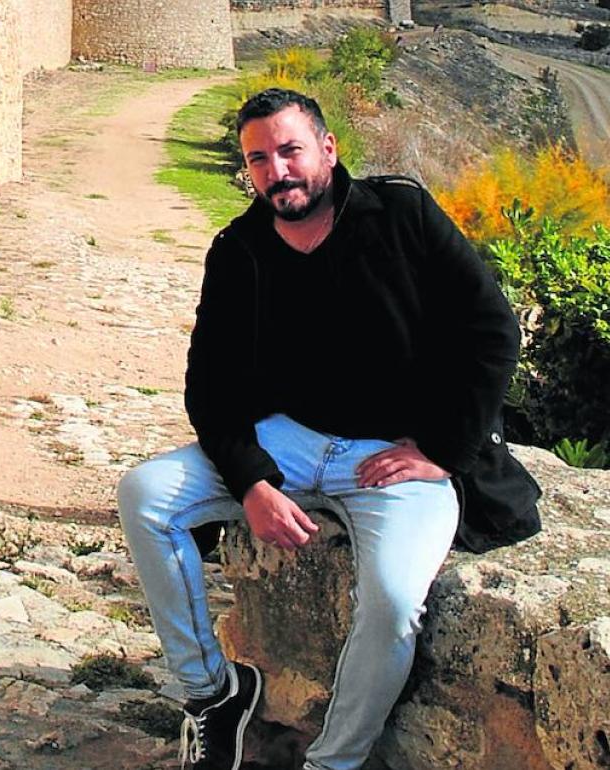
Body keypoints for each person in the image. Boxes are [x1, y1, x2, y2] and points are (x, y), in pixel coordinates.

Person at [116, 88, 529, 770]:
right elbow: (210, 386)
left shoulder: (401, 215)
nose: (277, 171)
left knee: (393, 600)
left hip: (393, 456)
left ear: (328, 150)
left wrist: (443, 450)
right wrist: (250, 482)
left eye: (290, 151)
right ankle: (213, 694)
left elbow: (491, 329)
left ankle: (332, 761)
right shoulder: (239, 250)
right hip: (289, 441)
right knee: (145, 494)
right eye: (259, 159)